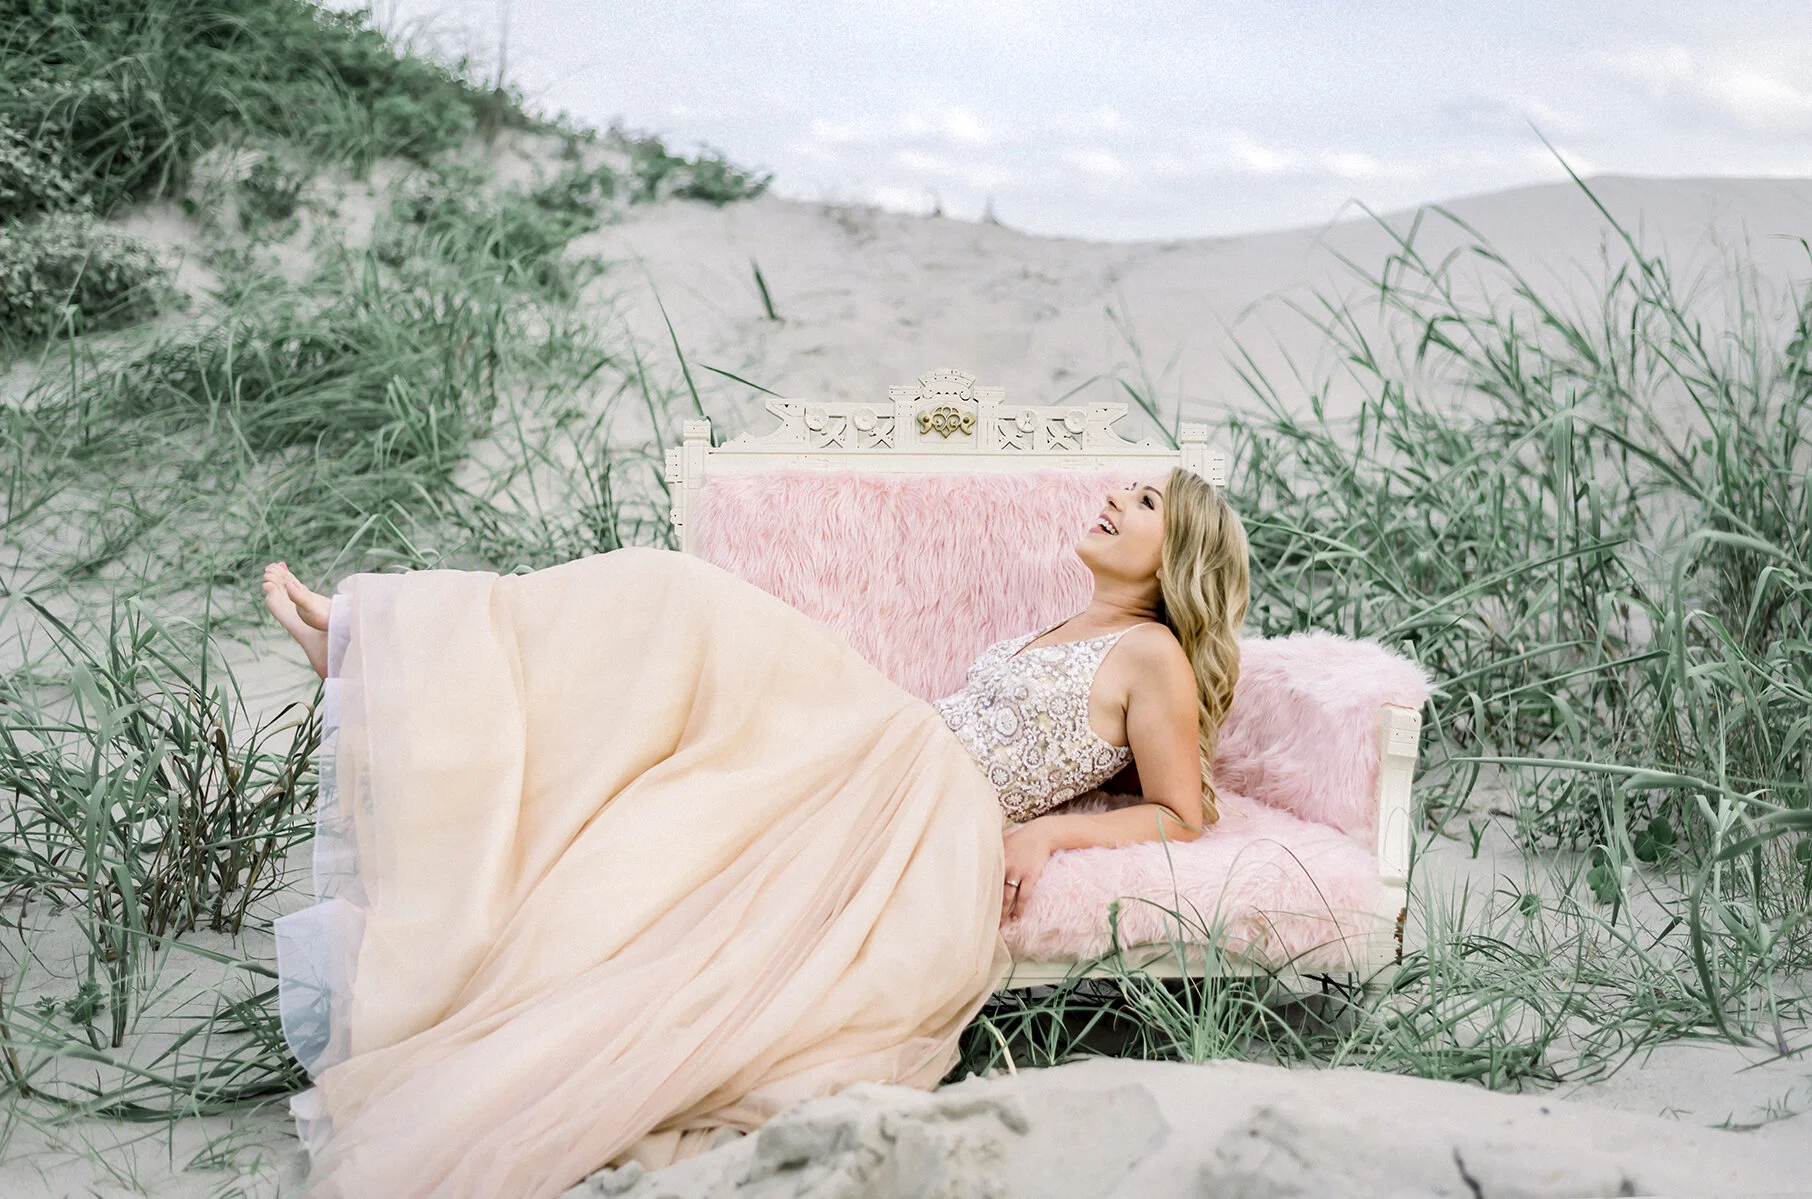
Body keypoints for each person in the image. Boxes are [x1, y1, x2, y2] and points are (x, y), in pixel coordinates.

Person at [262, 467, 1249, 1198]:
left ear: (1181, 556)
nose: (1120, 497)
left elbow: (1184, 810)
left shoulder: (1151, 652)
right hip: (889, 752)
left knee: (681, 599)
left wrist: (1046, 840)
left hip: (928, 803)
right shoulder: (1071, 627)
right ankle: (380, 653)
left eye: (1150, 504)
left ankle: (380, 656)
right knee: (661, 627)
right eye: (1131, 489)